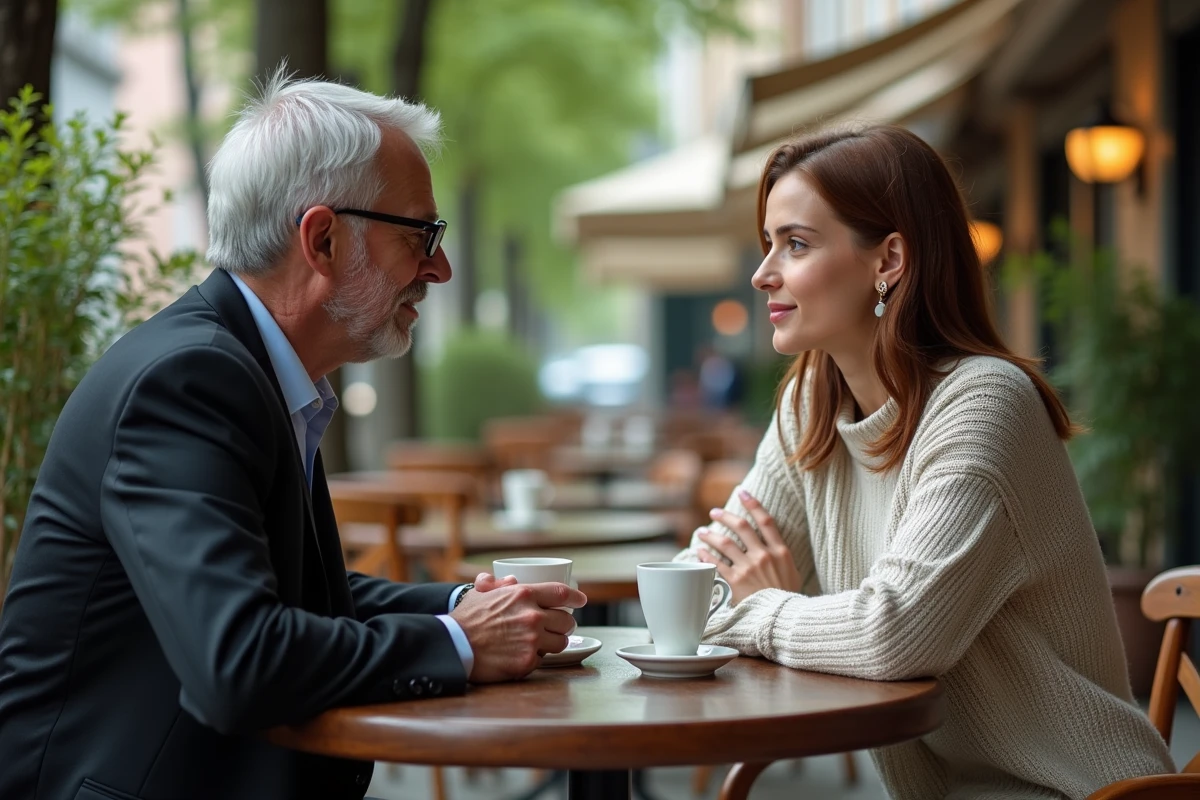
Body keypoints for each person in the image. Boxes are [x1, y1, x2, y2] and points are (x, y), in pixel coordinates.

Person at [0, 71, 585, 800]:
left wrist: (463, 606)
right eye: (421, 235)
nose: (440, 267)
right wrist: (462, 642)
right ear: (323, 239)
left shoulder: (240, 366)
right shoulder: (188, 382)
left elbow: (295, 601)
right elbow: (239, 661)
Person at [677, 125, 1173, 799]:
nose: (764, 273)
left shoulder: (985, 403)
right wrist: (753, 603)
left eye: (795, 243)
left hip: (1073, 789)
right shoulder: (811, 406)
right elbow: (690, 586)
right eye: (769, 245)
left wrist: (763, 607)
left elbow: (894, 635)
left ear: (889, 260)